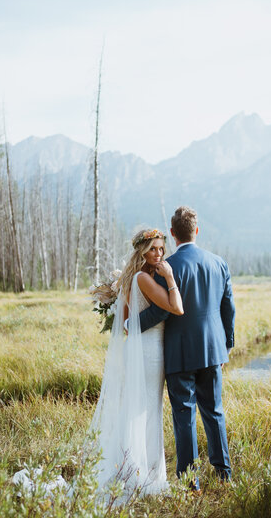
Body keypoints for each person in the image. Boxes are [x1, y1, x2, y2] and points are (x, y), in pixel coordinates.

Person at [140, 206, 235, 490]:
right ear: (197, 230)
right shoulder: (219, 263)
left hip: (179, 354)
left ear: (172, 233)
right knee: (214, 412)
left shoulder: (166, 268)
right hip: (212, 351)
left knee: (184, 417)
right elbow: (228, 308)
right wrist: (225, 346)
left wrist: (129, 324)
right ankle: (223, 474)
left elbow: (161, 312)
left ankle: (189, 482)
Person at [87, 228, 183, 502]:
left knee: (140, 409)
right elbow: (175, 307)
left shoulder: (131, 278)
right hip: (150, 352)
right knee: (149, 409)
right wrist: (170, 276)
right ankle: (144, 474)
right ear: (142, 251)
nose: (159, 253)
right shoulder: (142, 278)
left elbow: (128, 322)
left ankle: (132, 468)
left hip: (139, 349)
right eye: (153, 248)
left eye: (162, 248)